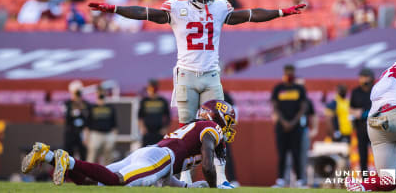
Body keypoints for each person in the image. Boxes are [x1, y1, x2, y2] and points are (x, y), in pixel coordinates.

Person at [89, 0, 306, 187]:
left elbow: (249, 15)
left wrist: (280, 12)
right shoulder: (177, 8)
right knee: (187, 128)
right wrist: (116, 9)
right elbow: (146, 13)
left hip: (211, 75)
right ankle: (185, 178)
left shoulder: (220, 7)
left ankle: (221, 178)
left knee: (218, 128)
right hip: (186, 75)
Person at [21, 100, 237, 189]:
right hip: (161, 157)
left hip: (154, 154)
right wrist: (214, 188)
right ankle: (65, 159)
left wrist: (187, 187)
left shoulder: (193, 129)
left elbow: (164, 174)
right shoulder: (211, 128)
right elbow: (208, 164)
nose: (228, 127)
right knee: (118, 182)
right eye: (228, 121)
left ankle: (49, 156)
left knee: (91, 182)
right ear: (218, 118)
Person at [345, 42, 396, 191]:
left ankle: (361, 185)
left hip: (374, 122)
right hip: (395, 114)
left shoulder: (390, 69)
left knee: (389, 179)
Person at [271, 64, 307, 187]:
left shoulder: (299, 89)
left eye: (291, 72)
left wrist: (293, 122)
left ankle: (299, 179)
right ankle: (280, 179)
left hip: (296, 127)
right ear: (284, 73)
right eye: (287, 72)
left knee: (296, 153)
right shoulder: (278, 88)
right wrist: (284, 122)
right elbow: (275, 107)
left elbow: (303, 107)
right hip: (281, 126)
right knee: (282, 153)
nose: (289, 75)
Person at [84, 90, 118, 165]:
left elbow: (114, 124)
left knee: (108, 155)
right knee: (92, 155)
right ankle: (89, 173)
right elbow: (87, 124)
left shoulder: (110, 107)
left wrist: (114, 137)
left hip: (108, 134)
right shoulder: (92, 107)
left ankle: (107, 171)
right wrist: (86, 137)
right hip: (95, 134)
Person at [350, 68, 374, 173]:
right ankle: (365, 179)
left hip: (375, 126)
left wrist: (369, 113)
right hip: (361, 127)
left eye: (365, 77)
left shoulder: (376, 90)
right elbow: (350, 109)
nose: (363, 79)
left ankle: (382, 178)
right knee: (362, 154)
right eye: (361, 77)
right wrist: (357, 112)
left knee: (379, 152)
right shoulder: (356, 92)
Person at [138, 80, 171, 146]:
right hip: (147, 132)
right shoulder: (144, 101)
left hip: (159, 132)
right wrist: (142, 128)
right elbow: (140, 116)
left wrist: (165, 128)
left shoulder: (162, 101)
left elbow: (168, 116)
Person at [63, 80, 90, 160]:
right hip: (70, 131)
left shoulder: (86, 104)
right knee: (68, 154)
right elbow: (67, 117)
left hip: (82, 132)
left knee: (83, 154)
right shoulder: (68, 104)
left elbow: (87, 118)